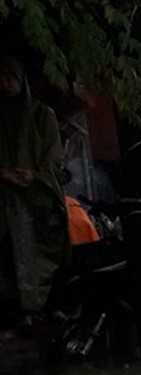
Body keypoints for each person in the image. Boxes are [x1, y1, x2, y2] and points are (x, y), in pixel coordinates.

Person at [0, 56, 67, 333]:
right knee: (10, 255)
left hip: (40, 199)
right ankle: (20, 314)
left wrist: (35, 175)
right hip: (7, 201)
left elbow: (54, 157)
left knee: (48, 251)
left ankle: (50, 308)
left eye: (9, 78)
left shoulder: (42, 115)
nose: (4, 85)